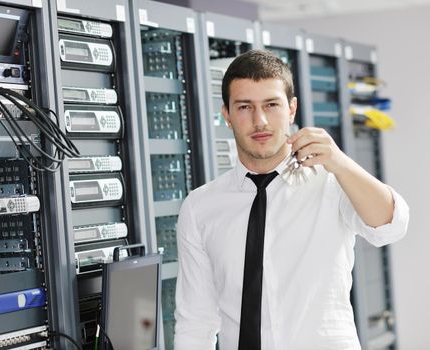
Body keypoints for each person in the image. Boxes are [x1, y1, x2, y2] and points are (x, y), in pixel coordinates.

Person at [173, 49, 409, 350]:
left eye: (271, 105)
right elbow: (195, 321)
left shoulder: (331, 181)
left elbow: (391, 226)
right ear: (227, 116)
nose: (259, 121)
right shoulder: (200, 208)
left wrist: (339, 162)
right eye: (244, 107)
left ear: (292, 109)